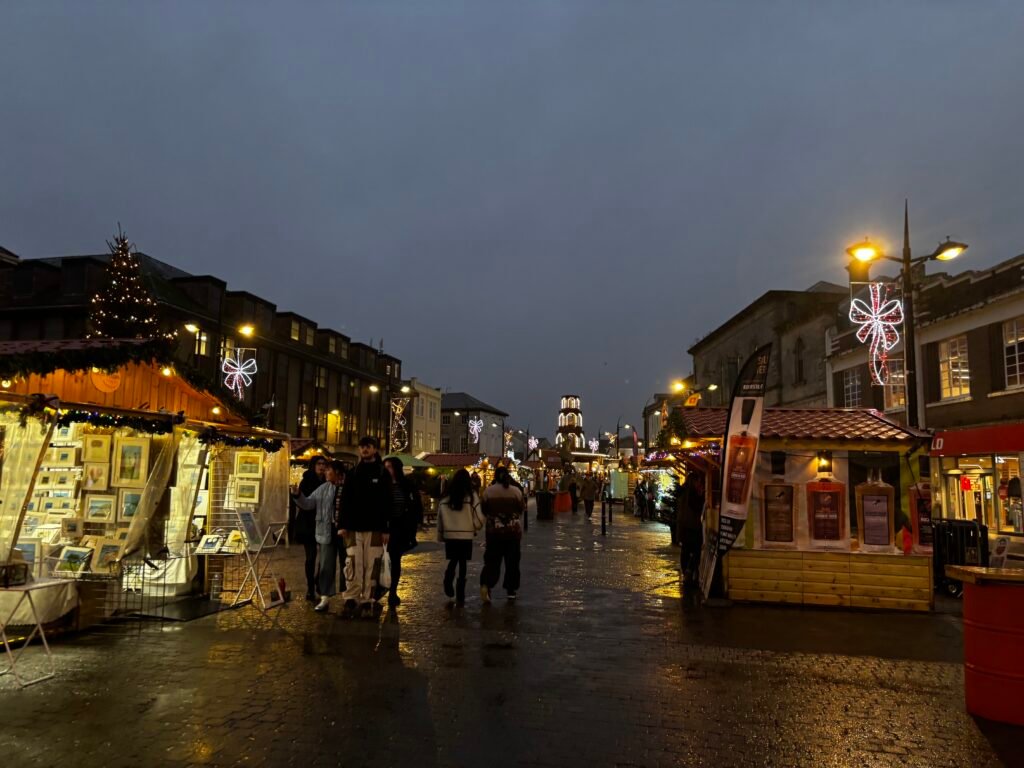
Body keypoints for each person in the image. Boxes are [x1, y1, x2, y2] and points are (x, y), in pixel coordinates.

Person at [340, 436, 392, 619]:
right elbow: (345, 500)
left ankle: (368, 599)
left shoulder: (382, 474)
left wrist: (386, 529)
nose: (364, 450)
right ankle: (351, 597)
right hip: (354, 527)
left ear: (375, 450)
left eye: (368, 447)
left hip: (375, 527)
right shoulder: (353, 473)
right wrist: (342, 525)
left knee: (372, 564)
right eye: (362, 447)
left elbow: (387, 502)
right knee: (353, 562)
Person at [292, 460, 346, 611]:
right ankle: (324, 597)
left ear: (337, 472)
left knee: (346, 566)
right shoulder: (323, 488)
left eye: (329, 470)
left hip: (345, 533)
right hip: (326, 531)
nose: (325, 472)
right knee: (325, 566)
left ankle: (347, 596)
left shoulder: (348, 487)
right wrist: (297, 495)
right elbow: (309, 503)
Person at [436, 468, 484, 603]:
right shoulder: (471, 495)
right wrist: (476, 527)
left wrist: (441, 535)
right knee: (463, 563)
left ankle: (448, 579)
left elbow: (440, 519)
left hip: (450, 535)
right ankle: (460, 594)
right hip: (466, 535)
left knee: (453, 560)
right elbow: (479, 517)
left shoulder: (445, 497)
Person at [383, 456, 424, 608]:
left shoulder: (406, 485)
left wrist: (415, 522)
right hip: (384, 527)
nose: (387, 470)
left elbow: (415, 505)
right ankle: (379, 591)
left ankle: (393, 591)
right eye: (385, 467)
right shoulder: (382, 485)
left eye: (390, 467)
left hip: (400, 527)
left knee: (395, 560)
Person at [480, 466, 525, 602]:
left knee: (492, 561)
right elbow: (521, 508)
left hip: (494, 532)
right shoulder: (516, 491)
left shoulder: (488, 492)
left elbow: (484, 509)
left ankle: (487, 584)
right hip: (512, 532)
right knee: (512, 562)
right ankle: (511, 590)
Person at [293, 456, 326, 601]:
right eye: (319, 464)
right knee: (311, 557)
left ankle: (318, 580)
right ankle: (310, 588)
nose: (322, 467)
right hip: (308, 524)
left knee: (325, 558)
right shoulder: (306, 481)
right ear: (313, 466)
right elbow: (303, 502)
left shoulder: (328, 481)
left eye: (324, 464)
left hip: (324, 524)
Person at [678, 473, 705, 585]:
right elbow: (697, 507)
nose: (699, 483)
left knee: (685, 550)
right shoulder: (691, 493)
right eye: (698, 481)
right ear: (694, 481)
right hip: (692, 526)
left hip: (684, 525)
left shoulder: (683, 491)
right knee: (696, 550)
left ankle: (686, 572)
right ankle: (688, 572)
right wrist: (702, 495)